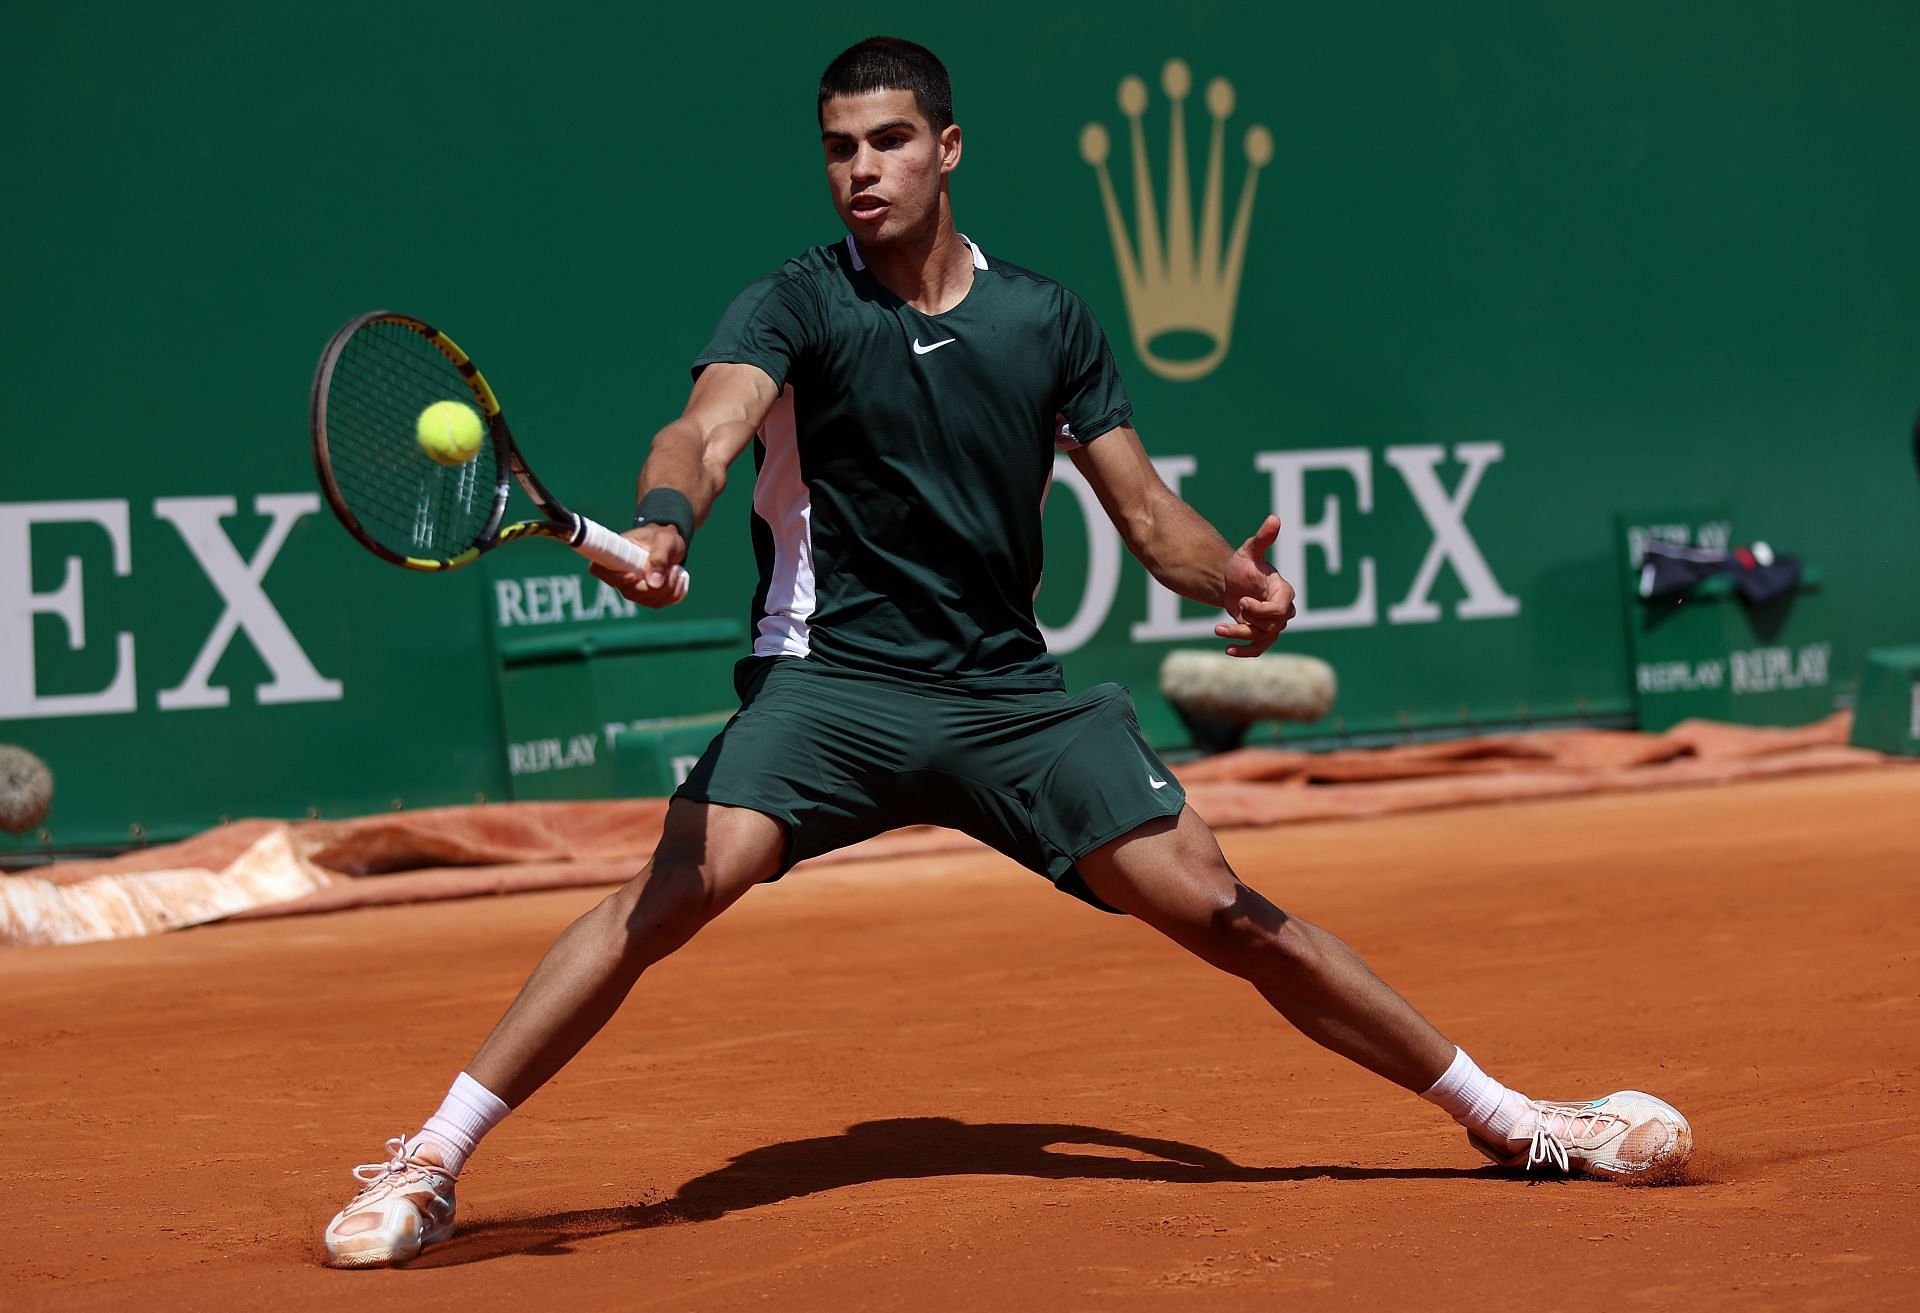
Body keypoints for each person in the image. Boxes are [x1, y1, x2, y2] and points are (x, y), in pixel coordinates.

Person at [322, 36, 1691, 1269]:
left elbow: (1150, 517)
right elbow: (706, 429)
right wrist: (662, 517)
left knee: (1223, 909)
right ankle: (432, 1160)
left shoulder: (1047, 320)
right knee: (673, 890)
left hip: (1005, 699)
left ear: (948, 148)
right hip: (833, 689)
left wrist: (1240, 581)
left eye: (890, 142)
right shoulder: (792, 304)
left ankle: (1513, 1120)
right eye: (839, 149)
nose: (861, 171)